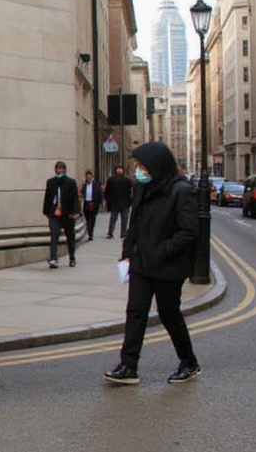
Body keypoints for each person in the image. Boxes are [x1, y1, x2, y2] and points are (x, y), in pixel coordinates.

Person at [104, 141, 201, 385]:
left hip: (168, 265)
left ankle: (189, 362)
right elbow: (134, 224)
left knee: (169, 314)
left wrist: (161, 250)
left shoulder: (182, 191)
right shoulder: (141, 189)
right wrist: (127, 251)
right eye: (137, 165)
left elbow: (189, 231)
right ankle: (128, 366)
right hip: (141, 263)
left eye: (142, 166)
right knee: (135, 312)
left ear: (156, 167)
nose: (138, 169)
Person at [42, 161, 79, 268]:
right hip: (54, 214)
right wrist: (46, 212)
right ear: (55, 170)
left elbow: (75, 198)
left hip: (67, 214)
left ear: (65, 170)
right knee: (54, 235)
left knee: (70, 237)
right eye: (58, 169)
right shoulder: (50, 182)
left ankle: (72, 257)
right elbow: (47, 197)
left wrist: (76, 212)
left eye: (62, 169)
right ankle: (53, 258)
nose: (60, 171)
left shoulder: (71, 182)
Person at [104, 164, 133, 239]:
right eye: (118, 169)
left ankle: (123, 233)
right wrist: (108, 201)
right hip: (114, 203)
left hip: (125, 203)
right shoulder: (111, 180)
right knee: (113, 218)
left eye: (121, 169)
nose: (119, 170)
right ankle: (110, 232)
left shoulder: (128, 180)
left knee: (125, 219)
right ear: (115, 170)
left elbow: (131, 191)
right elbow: (107, 191)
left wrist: (130, 201)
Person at [80, 170, 103, 241]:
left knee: (92, 219)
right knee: (87, 218)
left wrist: (99, 204)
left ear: (92, 177)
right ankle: (89, 229)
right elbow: (81, 193)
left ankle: (90, 233)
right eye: (87, 177)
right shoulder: (84, 185)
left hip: (94, 203)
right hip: (86, 203)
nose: (88, 179)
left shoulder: (96, 185)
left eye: (90, 177)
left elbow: (99, 195)